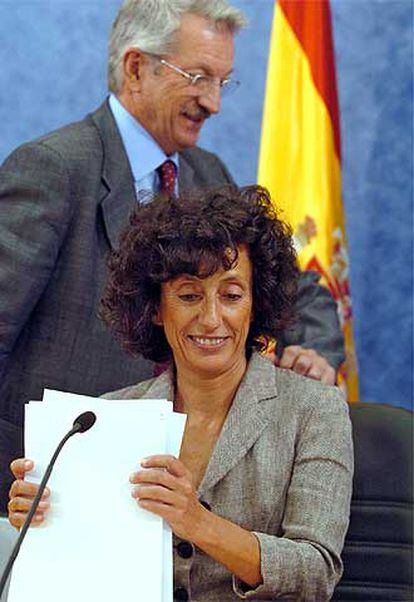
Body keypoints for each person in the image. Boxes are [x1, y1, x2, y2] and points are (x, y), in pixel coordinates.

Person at [0, 0, 344, 514]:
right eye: (199, 77)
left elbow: (295, 286)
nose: (214, 103)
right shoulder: (52, 168)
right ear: (137, 67)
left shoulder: (208, 174)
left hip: (179, 495)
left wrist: (314, 349)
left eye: (223, 82)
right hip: (50, 489)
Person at [8, 186, 353, 602]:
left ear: (255, 304)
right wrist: (42, 522)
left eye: (231, 295)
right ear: (154, 308)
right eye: (189, 295)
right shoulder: (104, 418)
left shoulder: (315, 410)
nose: (211, 318)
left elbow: (315, 573)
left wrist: (199, 523)